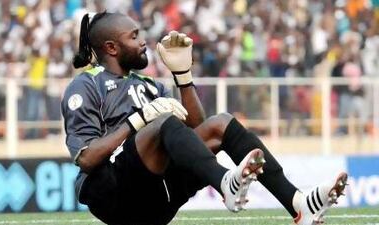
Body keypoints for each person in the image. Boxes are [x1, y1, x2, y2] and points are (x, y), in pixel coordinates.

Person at [61, 11, 348, 225]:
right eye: (134, 36)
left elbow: (195, 132)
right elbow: (86, 159)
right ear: (111, 48)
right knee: (162, 121)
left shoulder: (149, 85)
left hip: (156, 199)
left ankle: (299, 204)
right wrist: (139, 120)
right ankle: (225, 183)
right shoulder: (86, 85)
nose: (143, 42)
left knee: (220, 124)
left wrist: (183, 76)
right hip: (113, 195)